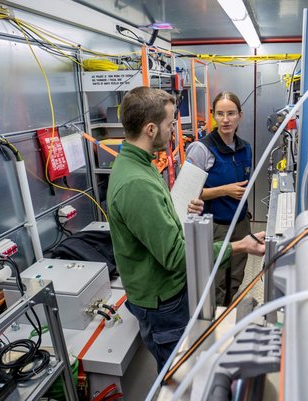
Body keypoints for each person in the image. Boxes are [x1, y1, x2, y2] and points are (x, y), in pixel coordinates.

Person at [106, 86, 265, 371]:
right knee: (180, 373)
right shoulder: (137, 182)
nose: (172, 131)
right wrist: (241, 245)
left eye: (231, 114)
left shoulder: (140, 167)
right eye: (169, 124)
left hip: (164, 291)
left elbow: (157, 221)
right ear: (151, 129)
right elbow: (177, 257)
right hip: (161, 300)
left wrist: (179, 212)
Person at [185, 91, 253, 306]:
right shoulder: (201, 149)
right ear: (213, 115)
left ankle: (228, 314)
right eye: (220, 114)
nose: (226, 120)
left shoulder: (245, 148)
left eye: (231, 113)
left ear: (240, 115)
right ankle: (213, 324)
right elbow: (187, 193)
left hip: (240, 223)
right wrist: (224, 190)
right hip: (215, 227)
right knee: (216, 280)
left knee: (236, 276)